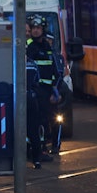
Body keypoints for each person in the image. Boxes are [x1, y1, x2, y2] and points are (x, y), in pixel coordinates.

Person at [26, 14, 62, 168]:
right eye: (33, 28)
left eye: (38, 28)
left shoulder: (47, 48)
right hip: (36, 90)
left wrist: (55, 90)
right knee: (37, 121)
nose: (35, 31)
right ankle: (38, 151)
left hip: (47, 91)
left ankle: (48, 147)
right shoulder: (30, 47)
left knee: (50, 119)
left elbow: (54, 70)